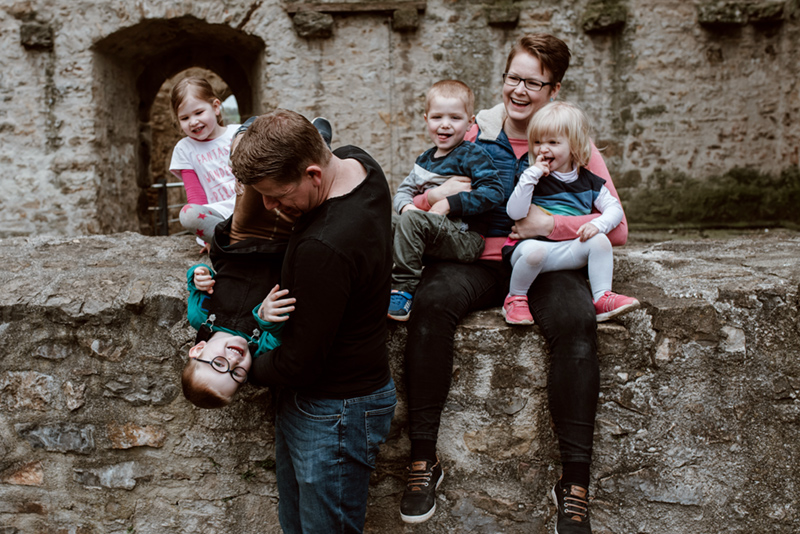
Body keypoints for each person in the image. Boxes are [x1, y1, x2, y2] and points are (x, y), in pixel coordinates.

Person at [400, 34, 627, 534]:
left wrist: (553, 224)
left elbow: (618, 228)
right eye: (513, 78)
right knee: (431, 303)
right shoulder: (471, 131)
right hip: (478, 259)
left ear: (554, 89)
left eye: (533, 83)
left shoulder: (569, 139)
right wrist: (434, 195)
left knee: (576, 322)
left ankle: (574, 483)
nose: (519, 91)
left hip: (545, 263)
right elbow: (416, 194)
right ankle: (422, 459)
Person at [230, 109, 396, 534]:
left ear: (313, 174)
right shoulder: (361, 165)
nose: (270, 206)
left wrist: (243, 367)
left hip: (333, 412)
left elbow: (299, 363)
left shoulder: (324, 246)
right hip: (334, 402)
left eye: (277, 194)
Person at [502, 101, 638, 325]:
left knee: (600, 241)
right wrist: (530, 176)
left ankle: (602, 297)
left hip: (568, 251)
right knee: (535, 252)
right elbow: (514, 212)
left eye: (553, 142)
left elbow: (614, 210)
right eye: (537, 142)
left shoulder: (589, 181)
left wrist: (598, 225)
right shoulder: (532, 178)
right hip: (530, 251)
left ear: (574, 145)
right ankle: (515, 297)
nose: (543, 149)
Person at [388, 80, 504, 320]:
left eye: (455, 118)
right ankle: (377, 282)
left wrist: (449, 203)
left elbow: (494, 192)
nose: (445, 124)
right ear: (426, 119)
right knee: (385, 223)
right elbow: (402, 192)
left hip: (465, 237)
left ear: (470, 122)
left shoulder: (472, 155)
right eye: (437, 117)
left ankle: (404, 290)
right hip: (433, 230)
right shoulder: (424, 160)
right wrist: (407, 208)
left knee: (411, 221)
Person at [169, 76, 240, 246]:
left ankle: (237, 237)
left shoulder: (237, 133)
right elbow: (194, 194)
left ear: (215, 107)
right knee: (188, 214)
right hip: (217, 215)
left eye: (199, 113)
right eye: (184, 118)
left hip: (247, 205)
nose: (193, 122)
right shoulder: (184, 148)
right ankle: (222, 240)